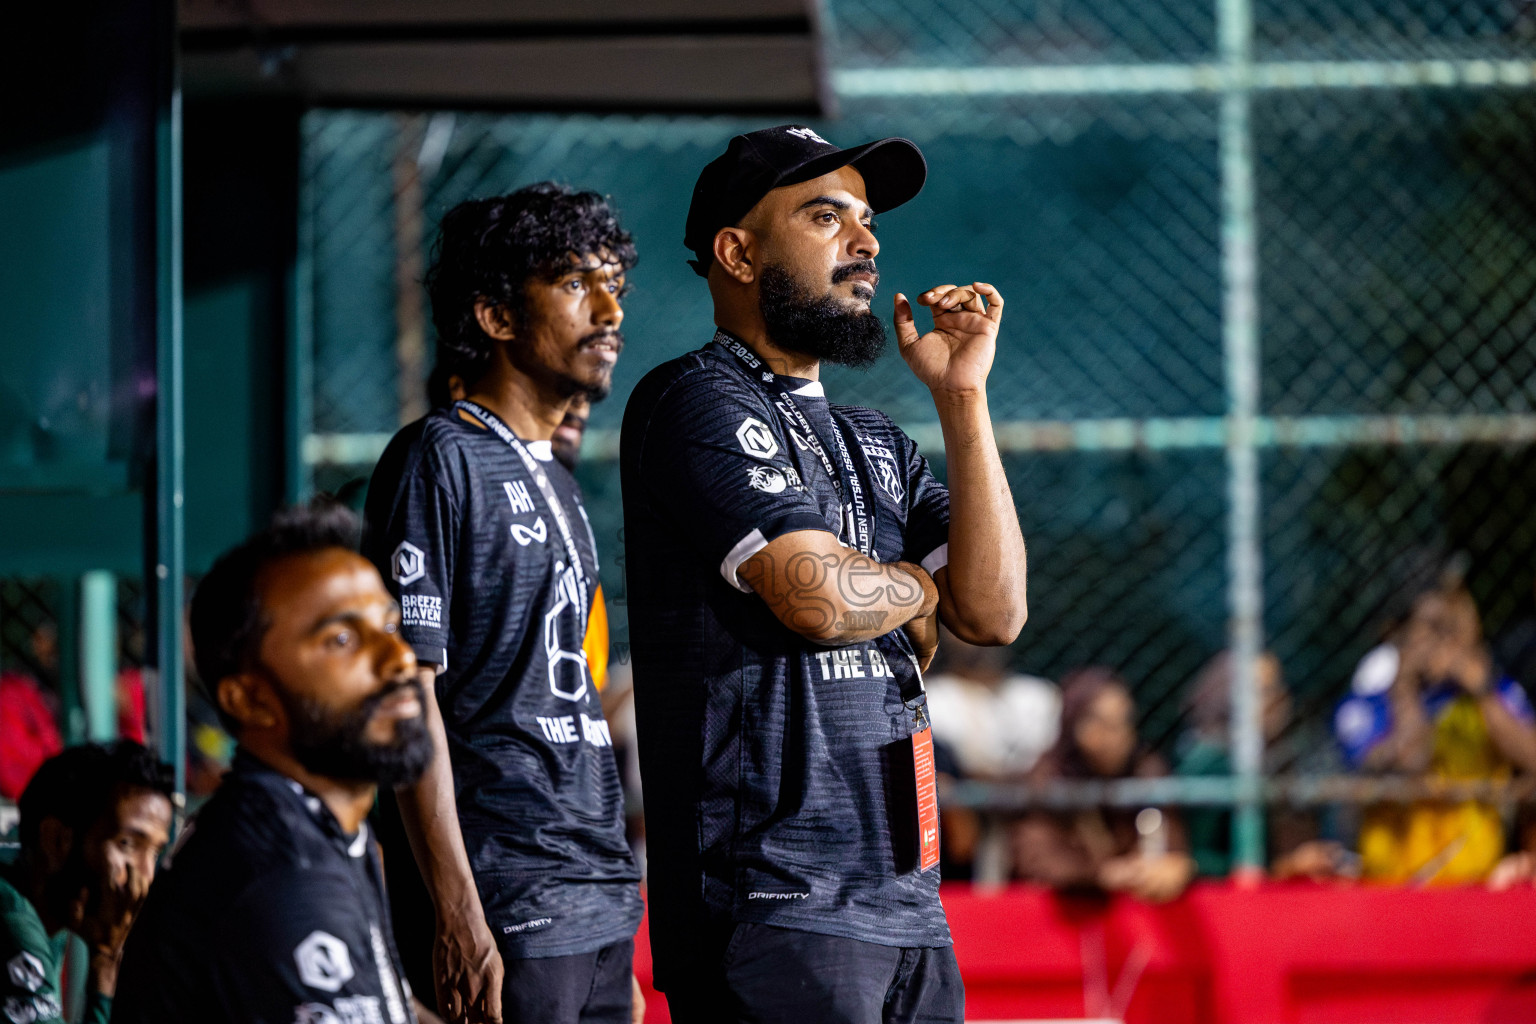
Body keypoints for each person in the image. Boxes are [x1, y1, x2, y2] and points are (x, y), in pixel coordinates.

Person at [621, 124, 1029, 1023]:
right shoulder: (691, 398)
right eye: (824, 215)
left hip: (906, 907)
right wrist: (920, 595)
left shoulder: (878, 440)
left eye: (868, 220)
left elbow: (995, 612)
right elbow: (814, 596)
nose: (867, 242)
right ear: (737, 251)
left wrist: (962, 398)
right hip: (771, 910)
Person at [363, 184, 643, 1024]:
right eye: (572, 283)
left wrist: (612, 921)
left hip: (595, 895)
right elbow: (407, 699)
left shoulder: (555, 474)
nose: (607, 310)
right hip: (505, 892)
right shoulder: (437, 455)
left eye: (614, 286)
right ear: (494, 316)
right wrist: (455, 909)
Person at [112, 504, 439, 1023]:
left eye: (389, 625)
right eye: (342, 639)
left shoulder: (309, 824)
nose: (398, 657)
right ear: (250, 699)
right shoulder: (282, 873)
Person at [1335, 581, 1536, 884]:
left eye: (1458, 628)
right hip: (1389, 888)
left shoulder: (1493, 697)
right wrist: (1406, 687)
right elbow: (1412, 761)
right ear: (1399, 635)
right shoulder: (1368, 702)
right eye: (1436, 628)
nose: (1450, 642)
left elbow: (1531, 757)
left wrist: (1481, 690)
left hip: (1475, 886)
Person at [0, 741, 173, 1024]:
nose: (146, 875)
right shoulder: (12, 921)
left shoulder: (50, 916)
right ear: (56, 840)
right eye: (127, 844)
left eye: (155, 852)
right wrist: (106, 960)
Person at [1013, 668, 1194, 903]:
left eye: (1123, 722)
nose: (1115, 736)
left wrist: (1172, 863)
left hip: (1136, 909)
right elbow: (1039, 858)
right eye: (1101, 723)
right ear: (1073, 724)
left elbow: (1169, 843)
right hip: (1068, 912)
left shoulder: (1144, 769)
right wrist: (1102, 873)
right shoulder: (1048, 777)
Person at [1176, 650, 1350, 880]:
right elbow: (1191, 858)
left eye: (1279, 687)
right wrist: (1283, 867)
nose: (1278, 700)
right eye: (1263, 691)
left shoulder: (1287, 756)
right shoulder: (1212, 764)